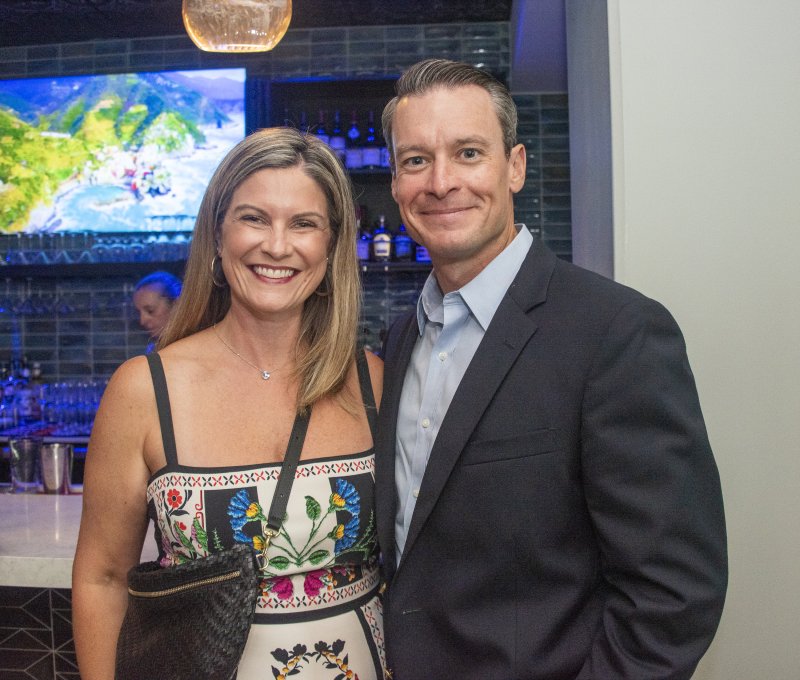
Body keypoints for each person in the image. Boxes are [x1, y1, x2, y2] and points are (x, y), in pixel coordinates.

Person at [375, 58, 727, 679]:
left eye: (468, 153)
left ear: (515, 167)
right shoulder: (401, 339)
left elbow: (673, 595)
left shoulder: (615, 332)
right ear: (396, 182)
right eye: (415, 160)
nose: (441, 181)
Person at [72, 127, 386, 679]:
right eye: (253, 218)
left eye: (304, 223)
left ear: (332, 246)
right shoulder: (145, 390)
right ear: (217, 236)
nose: (277, 245)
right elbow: (102, 578)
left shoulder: (371, 380)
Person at [132, 270, 182, 351]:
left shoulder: (198, 345)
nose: (142, 321)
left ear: (176, 306)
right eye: (138, 313)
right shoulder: (153, 351)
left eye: (150, 311)